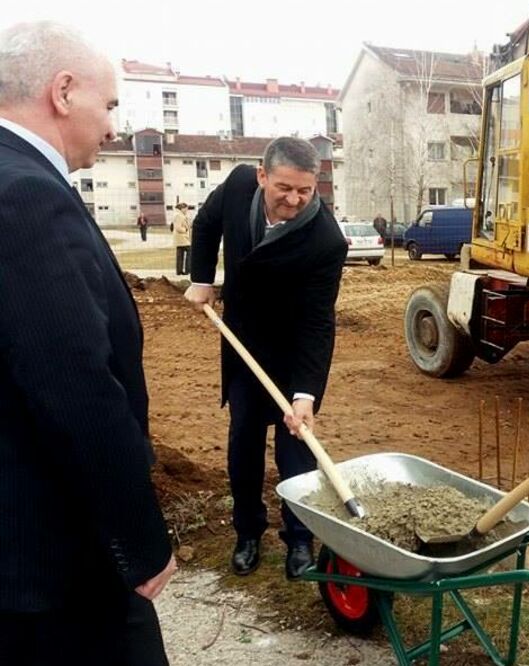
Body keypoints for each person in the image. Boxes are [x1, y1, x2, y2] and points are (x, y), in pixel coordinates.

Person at [0, 21, 176, 665]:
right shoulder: (24, 194)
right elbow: (75, 387)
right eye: (109, 105)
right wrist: (139, 540)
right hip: (48, 556)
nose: (112, 128)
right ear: (63, 91)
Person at [184, 137, 347, 580]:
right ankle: (247, 532)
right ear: (262, 176)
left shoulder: (326, 240)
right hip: (243, 343)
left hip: (293, 353)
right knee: (244, 441)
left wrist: (305, 394)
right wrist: (201, 279)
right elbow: (206, 223)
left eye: (305, 191)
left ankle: (299, 539)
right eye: (284, 188)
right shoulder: (238, 187)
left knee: (297, 449)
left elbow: (318, 322)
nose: (294, 200)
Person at [172, 201, 191, 275]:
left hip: (179, 239)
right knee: (190, 251)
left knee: (180, 254)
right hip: (182, 238)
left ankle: (179, 271)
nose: (187, 210)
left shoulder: (178, 215)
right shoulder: (179, 216)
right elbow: (178, 227)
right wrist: (185, 230)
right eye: (186, 209)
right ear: (182, 208)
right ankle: (188, 269)